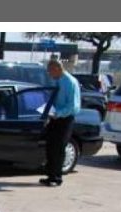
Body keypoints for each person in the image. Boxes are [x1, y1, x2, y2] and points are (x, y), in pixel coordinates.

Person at [41, 59, 81, 187]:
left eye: (50, 70)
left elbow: (73, 106)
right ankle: (50, 175)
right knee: (50, 146)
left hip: (65, 119)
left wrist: (58, 113)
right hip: (55, 118)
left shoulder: (70, 82)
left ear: (57, 68)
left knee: (59, 148)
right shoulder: (57, 80)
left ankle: (57, 177)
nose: (49, 73)